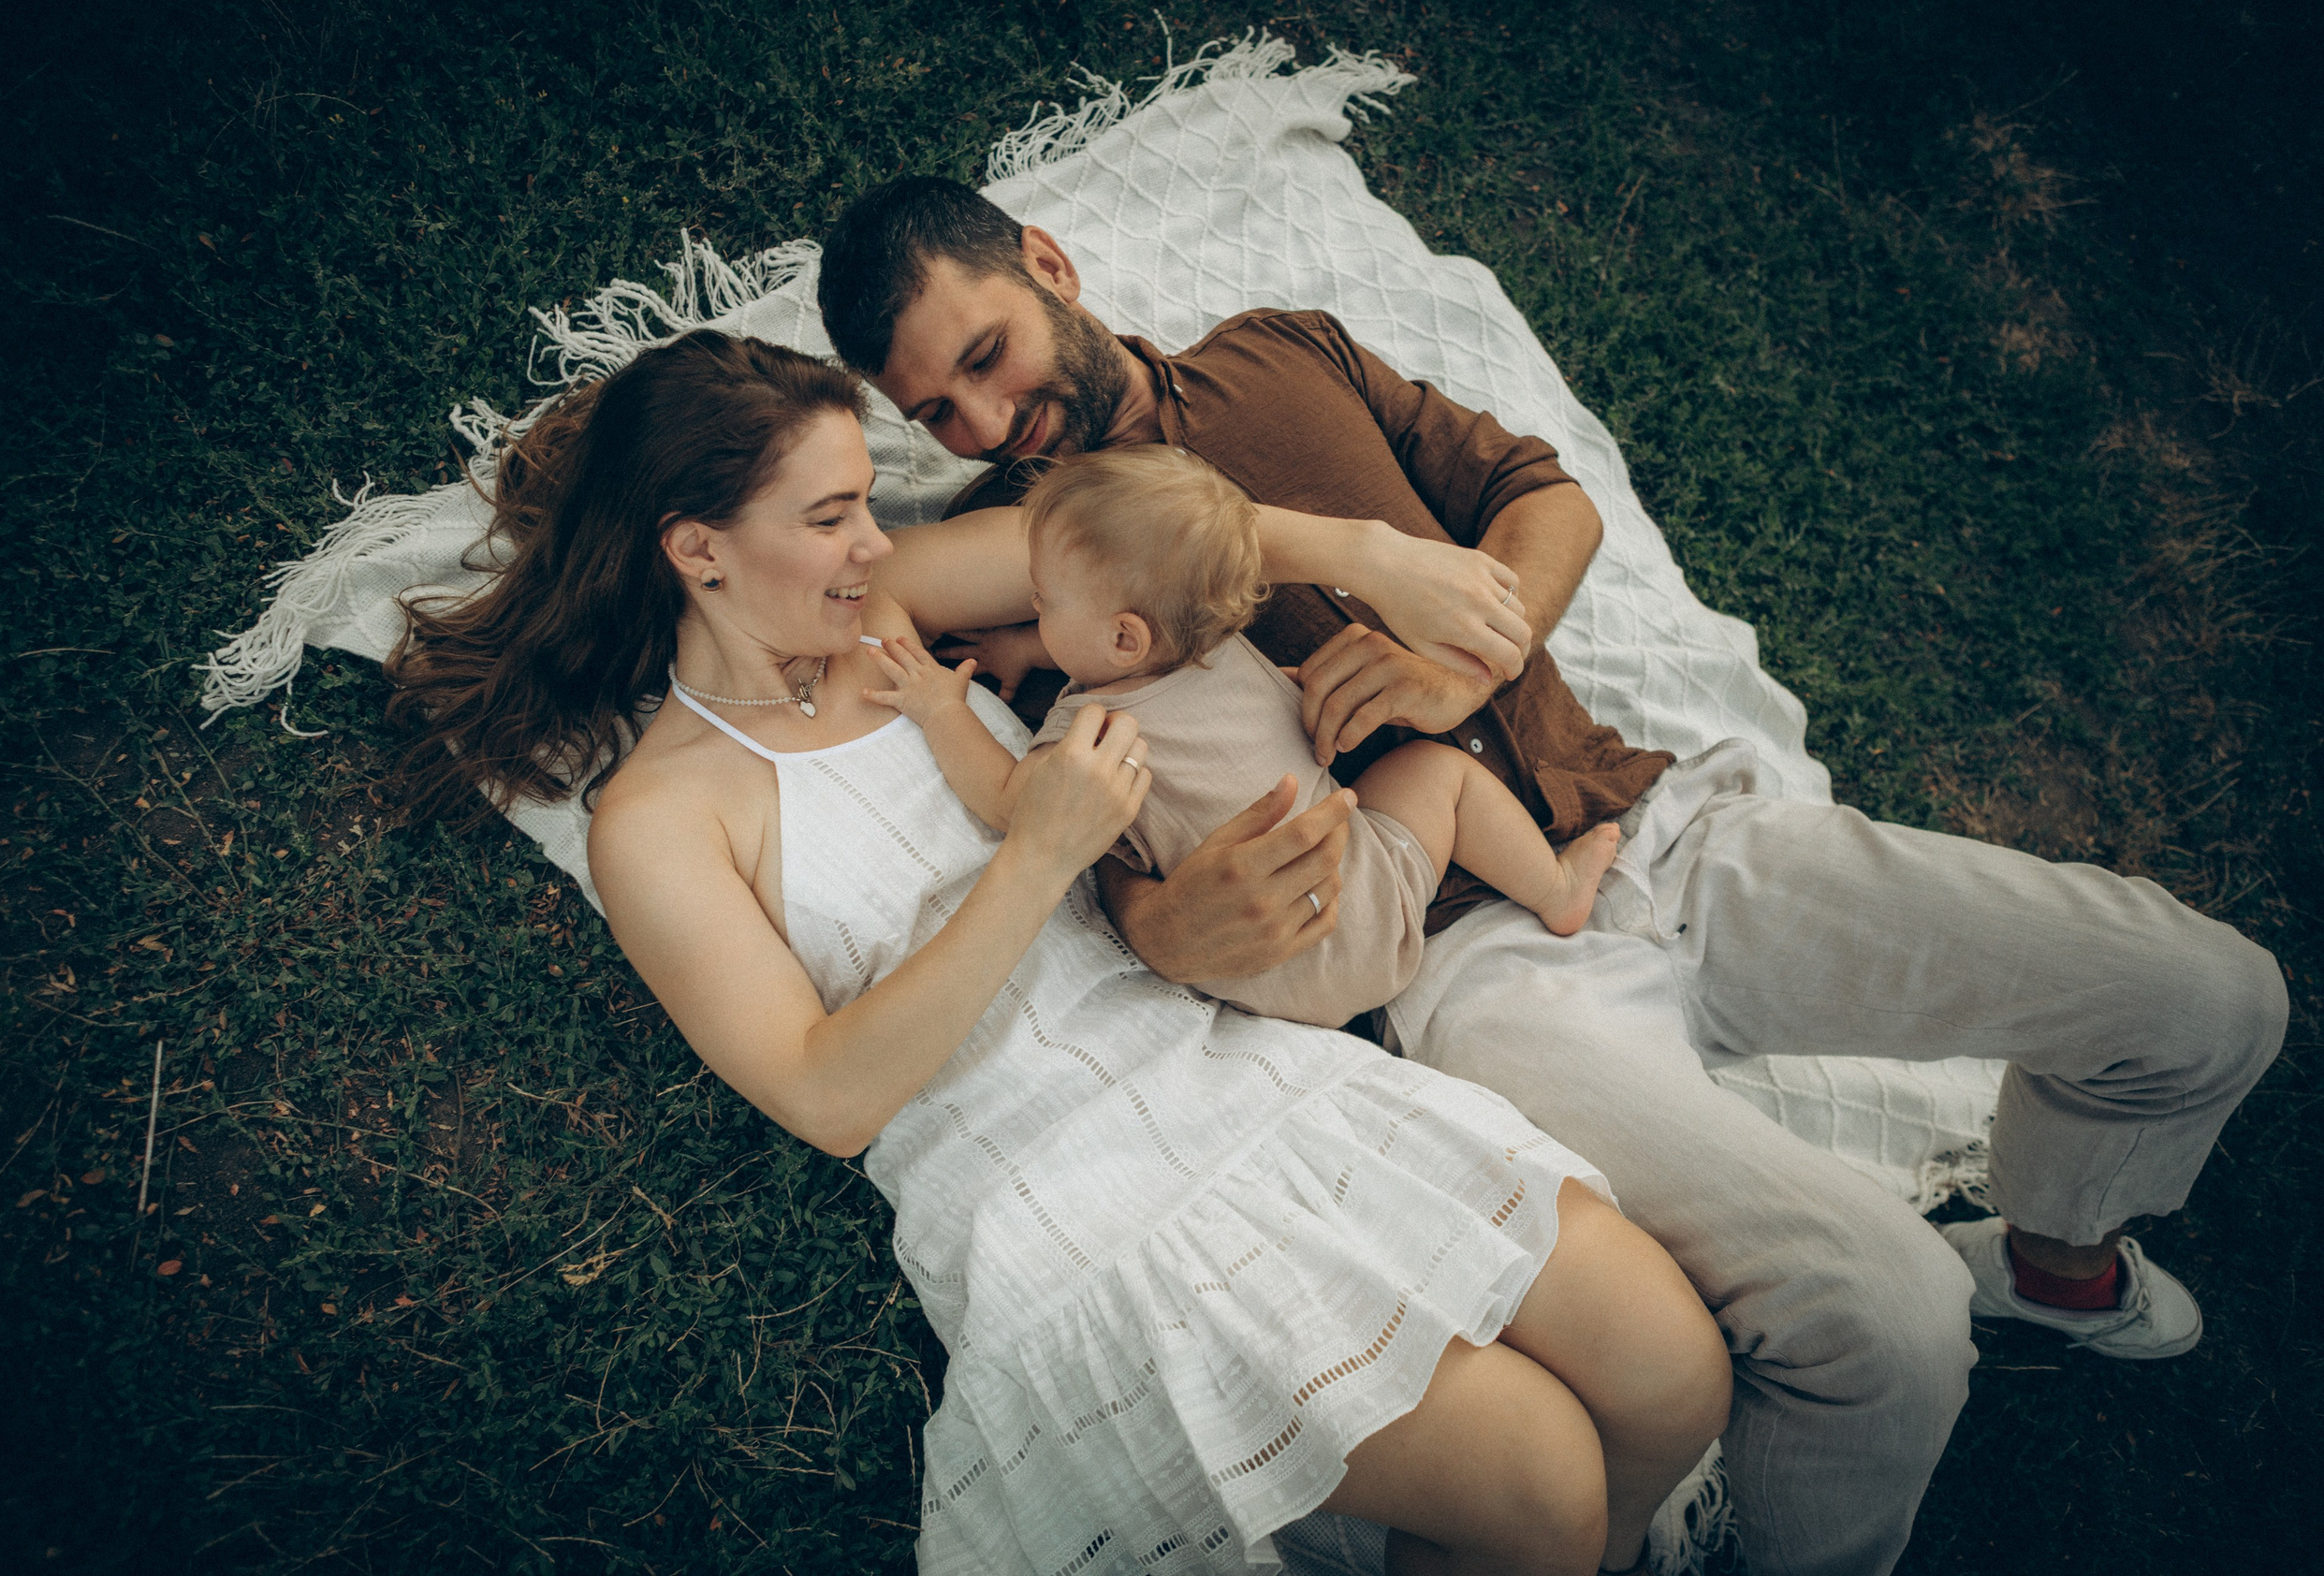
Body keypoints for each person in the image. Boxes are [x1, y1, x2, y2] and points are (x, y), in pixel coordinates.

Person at [819, 175, 2292, 1576]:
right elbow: (983, 713)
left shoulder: (1278, 353)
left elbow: (1545, 499)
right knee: (1887, 1315)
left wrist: (1461, 631)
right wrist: (1324, 594)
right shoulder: (1030, 547)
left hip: (1644, 817)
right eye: (937, 411)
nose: (992, 420)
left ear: (1049, 263)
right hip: (1465, 955)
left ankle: (2052, 1261)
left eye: (992, 358)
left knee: (2209, 994)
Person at [385, 328, 1731, 1576]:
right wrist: (1037, 856)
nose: (879, 538)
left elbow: (1133, 538)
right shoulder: (661, 817)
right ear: (699, 549)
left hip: (1228, 1066)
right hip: (1056, 1188)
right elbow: (829, 1095)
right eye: (833, 515)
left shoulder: (886, 618)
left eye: (869, 500)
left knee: (1676, 1370)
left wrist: (1365, 554)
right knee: (1542, 1478)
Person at [864, 443, 1621, 1030]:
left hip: (1262, 966)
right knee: (1439, 773)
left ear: (1125, 638)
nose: (1030, 605)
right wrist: (1032, 646)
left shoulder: (1091, 734)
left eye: (1042, 599)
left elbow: (1006, 800)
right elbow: (1133, 663)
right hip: (1374, 908)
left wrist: (940, 708)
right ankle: (1554, 890)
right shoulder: (1226, 653)